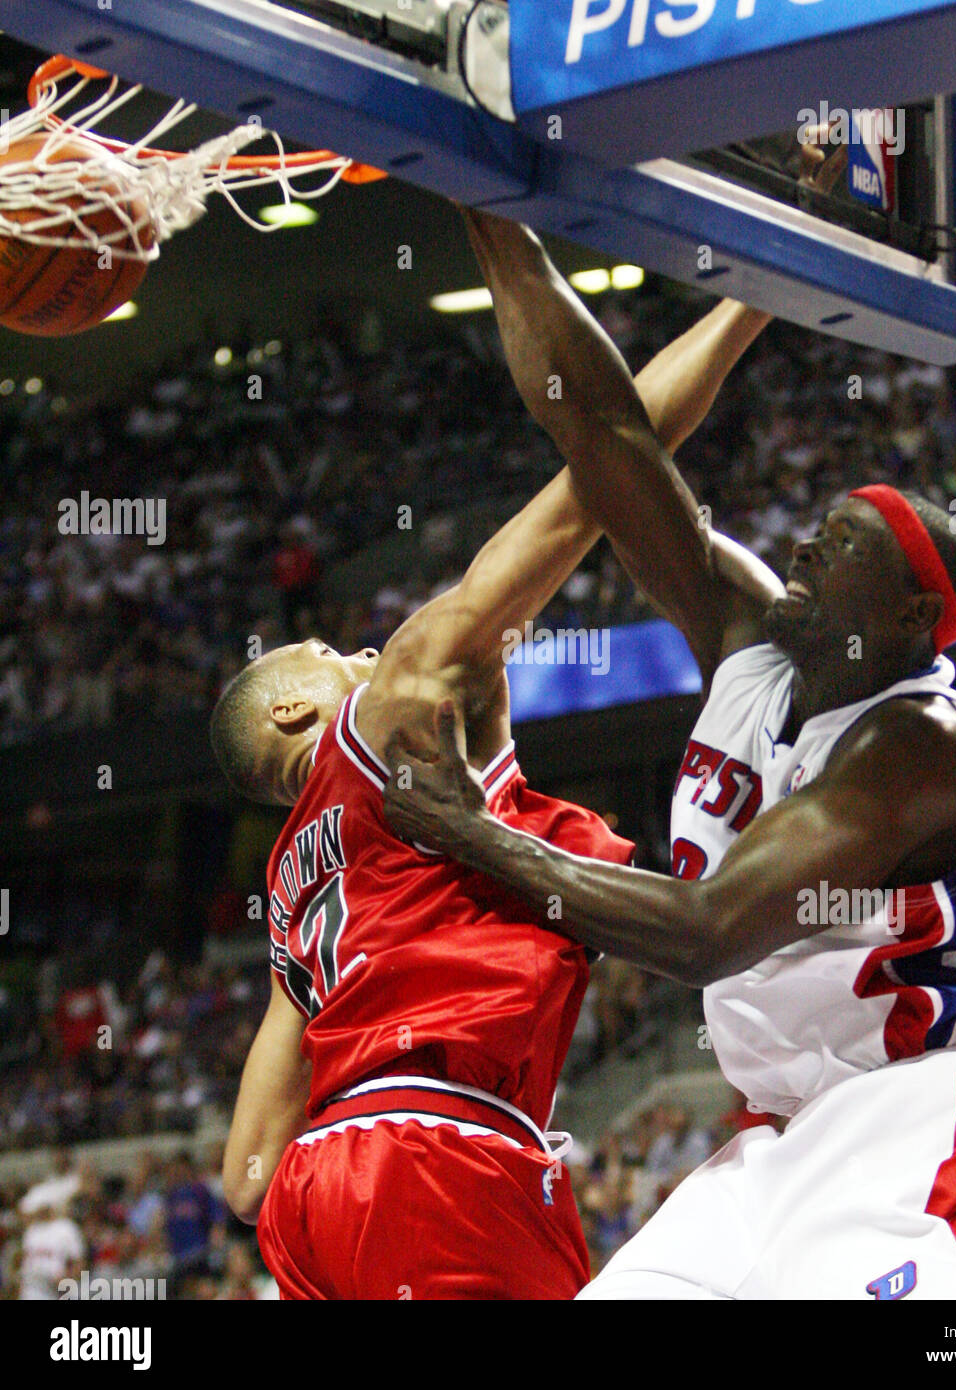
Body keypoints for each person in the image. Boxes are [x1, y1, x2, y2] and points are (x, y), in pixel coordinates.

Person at [381, 210, 956, 1301]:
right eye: (815, 524)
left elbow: (707, 932)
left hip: (921, 1107)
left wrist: (469, 831)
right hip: (769, 1140)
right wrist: (487, 209)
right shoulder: (748, 644)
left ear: (906, 617)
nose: (804, 543)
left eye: (843, 541)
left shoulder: (921, 748)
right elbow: (605, 435)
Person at [209, 211, 785, 1299]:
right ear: (293, 710)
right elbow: (608, 467)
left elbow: (244, 1177)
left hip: (319, 1203)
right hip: (437, 1153)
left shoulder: (295, 895)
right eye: (333, 651)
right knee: (610, 470)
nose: (367, 649)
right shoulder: (391, 710)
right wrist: (759, 298)